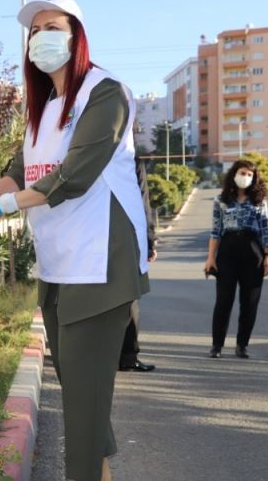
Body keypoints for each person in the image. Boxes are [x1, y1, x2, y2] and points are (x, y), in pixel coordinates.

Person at [0, 0, 149, 481]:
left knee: (83, 404)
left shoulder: (106, 92)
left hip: (100, 266)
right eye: (36, 31)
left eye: (54, 27)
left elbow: (74, 176)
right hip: (58, 265)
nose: (43, 38)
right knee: (80, 394)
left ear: (77, 37)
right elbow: (16, 176)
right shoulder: (43, 110)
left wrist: (2, 206)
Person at [203, 159, 268, 359]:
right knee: (224, 300)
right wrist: (210, 258)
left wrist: (267, 256)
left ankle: (242, 345)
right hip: (228, 250)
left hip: (252, 251)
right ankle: (217, 345)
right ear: (234, 174)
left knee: (249, 301)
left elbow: (266, 231)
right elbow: (216, 231)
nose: (246, 177)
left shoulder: (259, 201)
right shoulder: (221, 200)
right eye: (243, 173)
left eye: (250, 175)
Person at [119, 155, 158, 372]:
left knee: (129, 300)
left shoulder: (132, 160)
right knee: (126, 299)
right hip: (111, 237)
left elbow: (142, 202)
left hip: (127, 238)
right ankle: (124, 356)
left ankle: (127, 356)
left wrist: (149, 240)